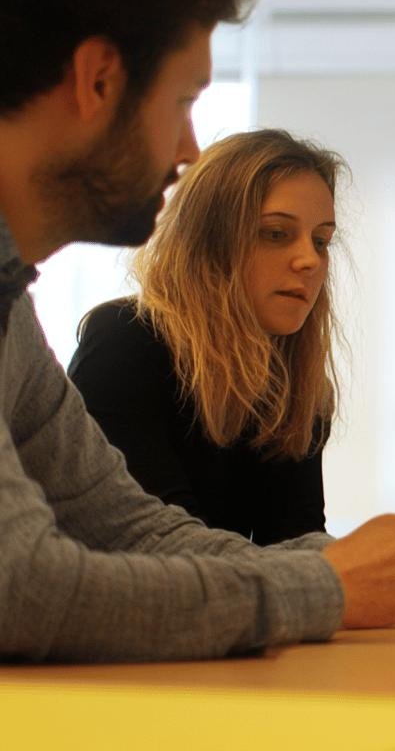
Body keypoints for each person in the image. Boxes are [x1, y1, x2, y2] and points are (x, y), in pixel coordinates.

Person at [0, 0, 395, 663]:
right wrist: (325, 587)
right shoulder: (123, 338)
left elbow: (138, 530)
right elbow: (27, 592)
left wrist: (359, 567)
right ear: (98, 81)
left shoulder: (10, 311)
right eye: (185, 100)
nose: (192, 148)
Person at [68, 129, 341, 547]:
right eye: (275, 233)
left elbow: (293, 535)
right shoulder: (124, 341)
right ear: (208, 240)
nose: (309, 260)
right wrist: (348, 569)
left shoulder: (290, 374)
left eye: (321, 241)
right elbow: (167, 547)